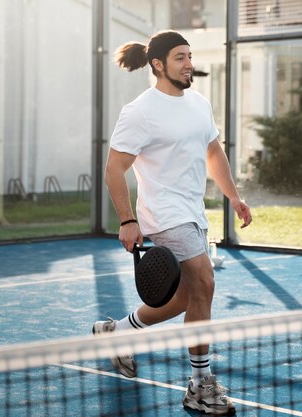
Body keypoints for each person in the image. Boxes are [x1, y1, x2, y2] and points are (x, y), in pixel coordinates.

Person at [95, 30, 252, 416]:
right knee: (205, 282)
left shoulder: (199, 104)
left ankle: (117, 332)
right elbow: (114, 168)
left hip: (193, 213)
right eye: (180, 57)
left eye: (190, 56)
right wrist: (127, 220)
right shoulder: (140, 111)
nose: (189, 64)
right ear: (158, 65)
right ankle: (200, 386)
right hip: (163, 215)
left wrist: (233, 195)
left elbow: (213, 151)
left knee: (185, 298)